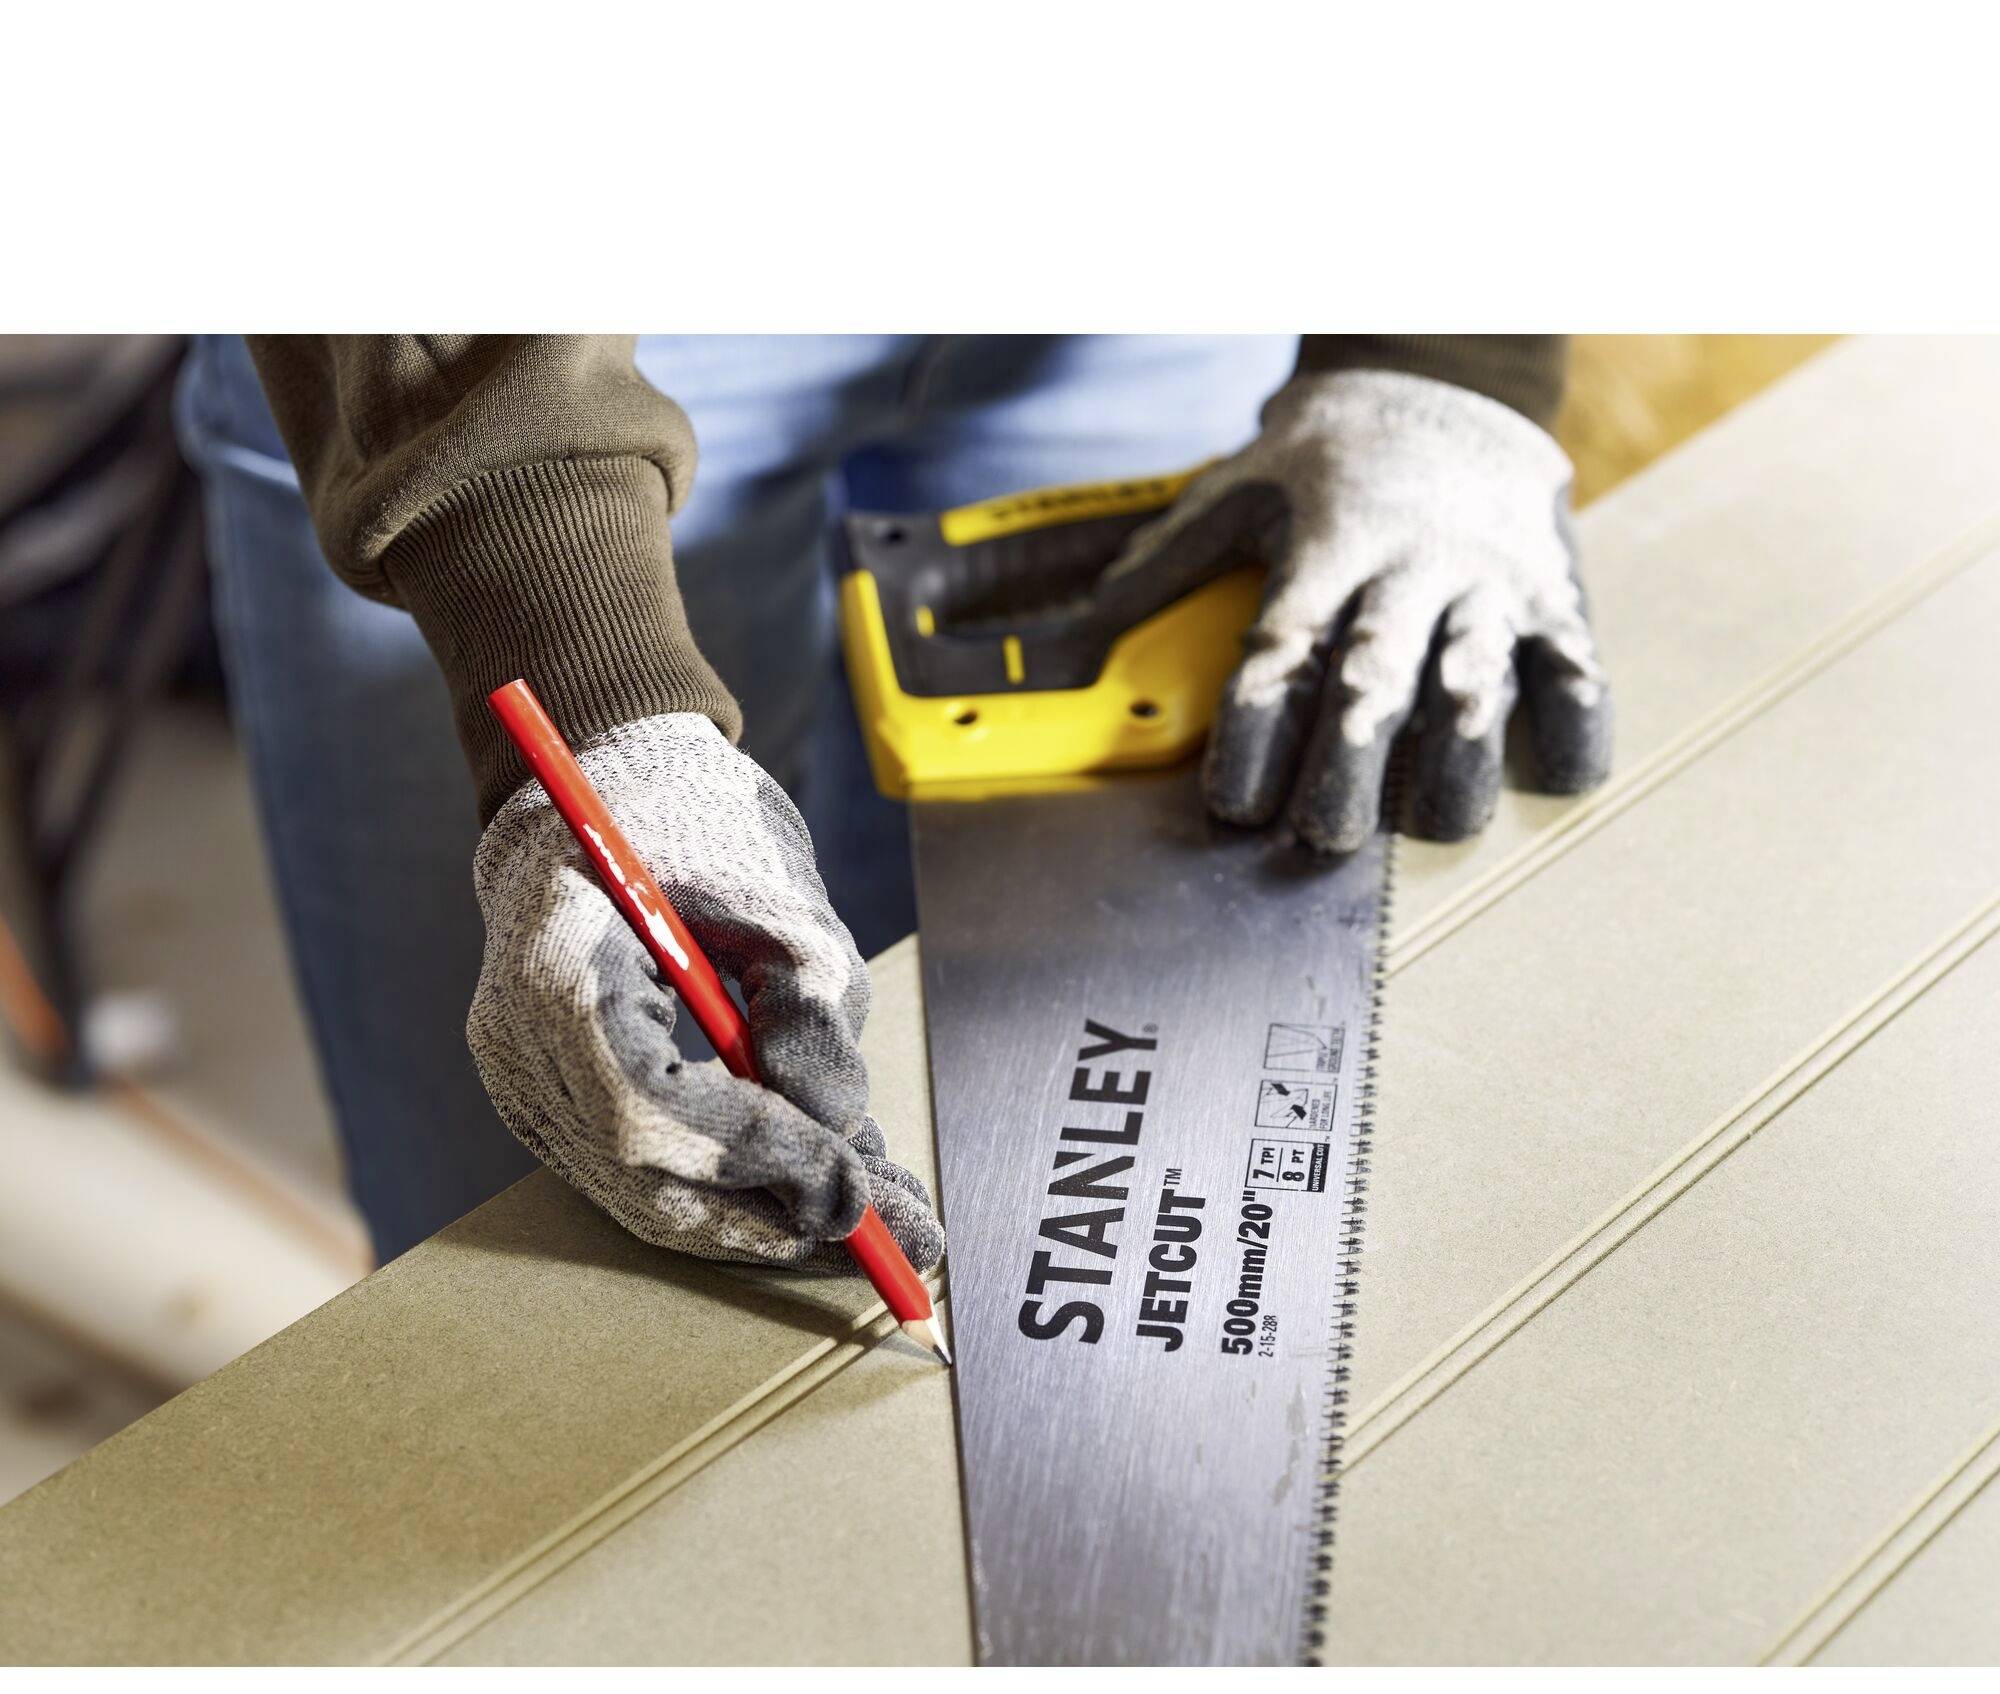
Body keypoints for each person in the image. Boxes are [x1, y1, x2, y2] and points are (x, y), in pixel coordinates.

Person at [176, 335, 1607, 1272]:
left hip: (1145, 322)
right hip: (480, 366)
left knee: (1073, 1172)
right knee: (582, 1187)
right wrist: (556, 635)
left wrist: (1444, 361)